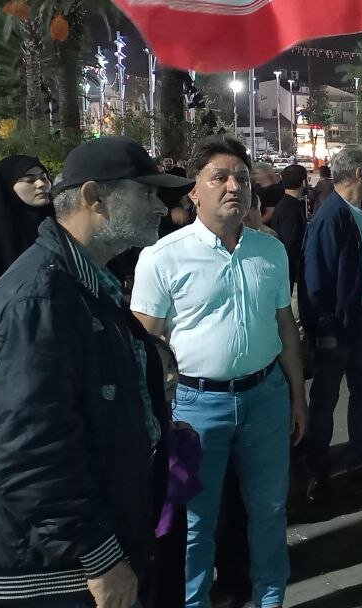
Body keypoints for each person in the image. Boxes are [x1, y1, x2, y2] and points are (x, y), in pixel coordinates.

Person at [0, 136, 188, 605]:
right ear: (94, 197)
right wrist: (100, 556)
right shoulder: (41, 298)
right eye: (146, 192)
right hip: (54, 577)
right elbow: (31, 453)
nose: (159, 206)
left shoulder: (83, 283)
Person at [132, 136, 307, 608]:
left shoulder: (269, 251)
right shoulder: (163, 257)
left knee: (269, 512)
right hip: (194, 407)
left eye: (242, 178)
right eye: (220, 177)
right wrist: (154, 418)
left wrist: (297, 395)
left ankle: (270, 600)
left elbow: (285, 327)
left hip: (265, 396)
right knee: (195, 523)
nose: (234, 186)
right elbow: (145, 345)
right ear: (194, 190)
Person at [301, 145, 362, 502]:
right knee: (325, 400)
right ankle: (317, 473)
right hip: (336, 325)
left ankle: (359, 462)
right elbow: (314, 279)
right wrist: (324, 329)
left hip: (359, 319)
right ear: (359, 173)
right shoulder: (331, 217)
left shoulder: (359, 210)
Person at [0, 155, 55, 290]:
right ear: (8, 185)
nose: (41, 184)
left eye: (44, 178)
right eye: (30, 180)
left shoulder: (58, 220)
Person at [269, 163, 309, 294]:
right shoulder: (291, 209)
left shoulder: (286, 204)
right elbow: (290, 243)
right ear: (304, 182)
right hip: (290, 271)